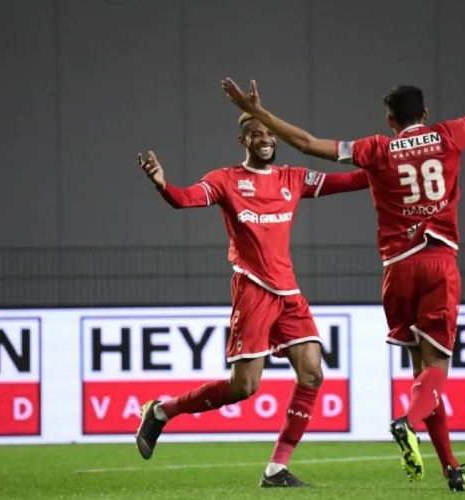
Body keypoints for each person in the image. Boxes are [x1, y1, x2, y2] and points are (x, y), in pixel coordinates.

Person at [220, 8, 465, 492]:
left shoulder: (377, 149)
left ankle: (452, 470)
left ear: (390, 121)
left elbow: (307, 143)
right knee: (436, 374)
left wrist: (261, 113)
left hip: (396, 272)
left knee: (420, 374)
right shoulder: (450, 135)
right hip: (438, 263)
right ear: (425, 115)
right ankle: (408, 424)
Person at [134, 112, 370, 488]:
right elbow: (184, 200)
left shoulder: (293, 177)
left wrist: (390, 165)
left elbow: (351, 180)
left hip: (289, 292)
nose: (265, 138)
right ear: (243, 141)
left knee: (312, 373)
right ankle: (161, 411)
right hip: (253, 289)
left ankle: (276, 470)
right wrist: (163, 184)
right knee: (244, 388)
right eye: (255, 133)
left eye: (269, 133)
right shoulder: (225, 180)